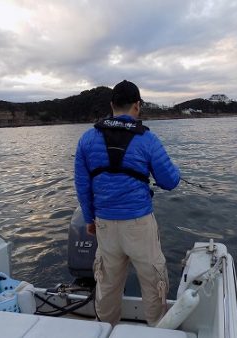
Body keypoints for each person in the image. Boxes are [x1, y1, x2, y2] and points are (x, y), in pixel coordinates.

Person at [74, 80, 180, 326]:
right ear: (137, 106)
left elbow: (82, 186)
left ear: (112, 105)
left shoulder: (87, 139)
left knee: (108, 284)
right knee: (153, 283)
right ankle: (156, 329)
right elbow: (170, 181)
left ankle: (105, 329)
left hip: (105, 226)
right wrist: (177, 168)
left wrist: (89, 219)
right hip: (139, 224)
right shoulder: (148, 139)